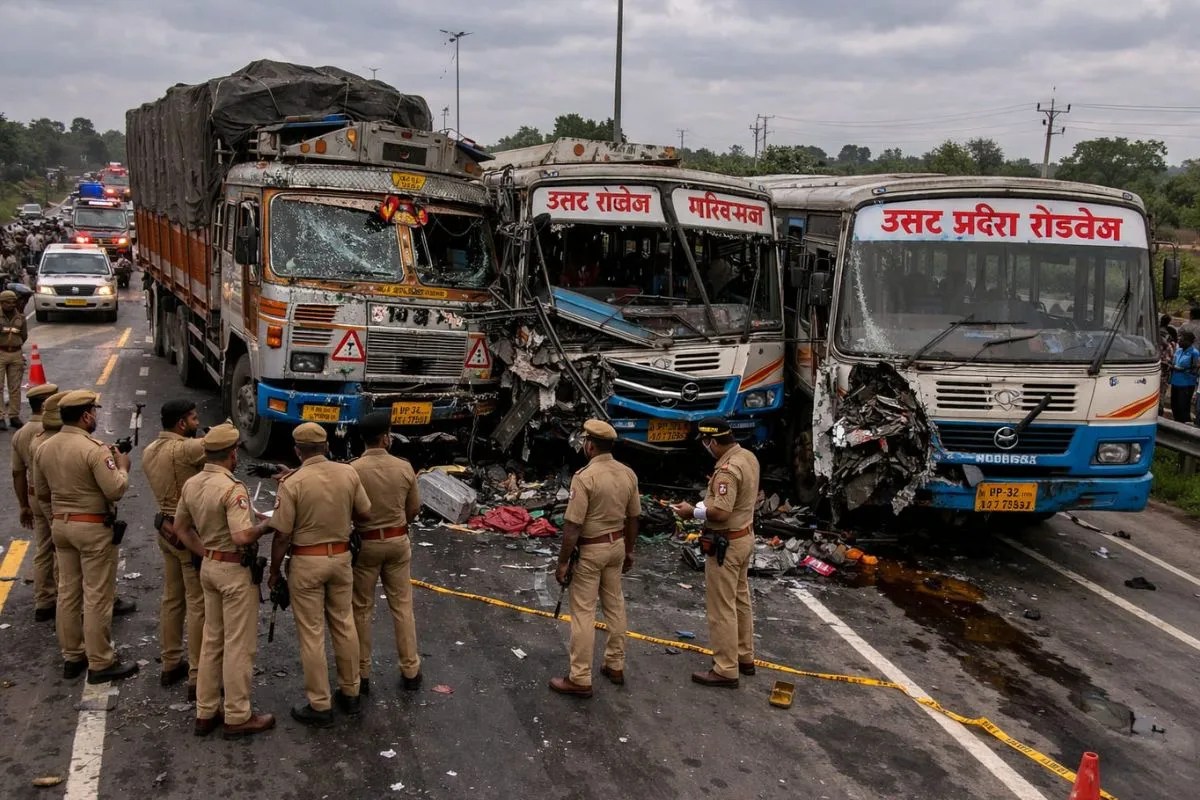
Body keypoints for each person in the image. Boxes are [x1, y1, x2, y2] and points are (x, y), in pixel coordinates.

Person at [171, 422, 275, 739]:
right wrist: (267, 526)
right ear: (232, 454)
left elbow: (180, 528)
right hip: (233, 572)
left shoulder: (192, 484)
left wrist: (206, 552)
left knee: (212, 640)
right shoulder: (233, 488)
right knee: (238, 645)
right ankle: (238, 715)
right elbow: (242, 536)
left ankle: (206, 711)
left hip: (210, 567)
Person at [267, 423, 370, 727]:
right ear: (326, 446)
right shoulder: (348, 473)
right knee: (344, 623)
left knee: (312, 634)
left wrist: (274, 571)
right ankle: (351, 692)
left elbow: (282, 535)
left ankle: (320, 704)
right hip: (341, 558)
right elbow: (364, 513)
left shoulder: (292, 483)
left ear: (297, 451)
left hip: (307, 562)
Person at [32, 390, 137, 683]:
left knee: (68, 592)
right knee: (97, 596)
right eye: (94, 412)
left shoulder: (44, 447)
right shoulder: (95, 449)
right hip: (92, 528)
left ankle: (72, 655)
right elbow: (115, 490)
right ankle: (100, 661)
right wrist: (123, 468)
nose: (96, 417)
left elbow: (42, 492)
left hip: (61, 526)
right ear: (86, 415)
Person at [549, 419, 639, 699]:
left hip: (591, 550)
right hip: (616, 546)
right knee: (615, 606)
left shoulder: (585, 477)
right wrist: (629, 550)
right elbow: (634, 517)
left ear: (590, 445)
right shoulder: (628, 474)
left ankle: (579, 677)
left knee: (583, 612)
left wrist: (563, 562)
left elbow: (573, 525)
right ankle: (615, 664)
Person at [670, 417, 759, 689]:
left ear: (712, 441)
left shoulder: (727, 471)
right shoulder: (748, 457)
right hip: (744, 537)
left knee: (721, 608)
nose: (705, 448)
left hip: (726, 544)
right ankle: (744, 656)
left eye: (705, 443)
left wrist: (693, 512)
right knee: (740, 600)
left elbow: (721, 512)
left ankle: (725, 668)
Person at [349, 411, 422, 696]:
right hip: (397, 542)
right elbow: (414, 509)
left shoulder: (353, 470)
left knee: (361, 609)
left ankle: (362, 673)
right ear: (385, 438)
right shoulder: (404, 467)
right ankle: (410, 670)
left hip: (365, 545)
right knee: (402, 607)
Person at [142, 399, 208, 698]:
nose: (197, 423)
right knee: (197, 604)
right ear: (182, 423)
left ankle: (170, 662)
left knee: (172, 599)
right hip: (188, 534)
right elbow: (226, 440)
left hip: (165, 531)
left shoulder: (149, 450)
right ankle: (197, 674)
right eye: (193, 419)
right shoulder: (185, 449)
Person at [11, 383, 59, 620]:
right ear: (46, 404)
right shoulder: (53, 430)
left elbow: (17, 473)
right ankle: (67, 599)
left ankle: (44, 600)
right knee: (62, 549)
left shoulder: (20, 434)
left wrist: (23, 505)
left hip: (33, 495)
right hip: (54, 496)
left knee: (43, 547)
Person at [0, 289, 28, 430]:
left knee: (15, 387)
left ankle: (14, 416)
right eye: (8, 302)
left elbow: (24, 335)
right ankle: (0, 417)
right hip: (1, 352)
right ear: (2, 303)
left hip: (16, 353)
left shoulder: (20, 317)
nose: (11, 305)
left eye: (13, 302)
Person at [1170, 330, 1200, 424]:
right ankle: (1176, 425)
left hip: (1186, 384)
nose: (1179, 342)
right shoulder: (1178, 350)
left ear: (1188, 341)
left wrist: (1183, 370)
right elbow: (1173, 362)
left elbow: (1195, 369)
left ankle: (1184, 427)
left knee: (1183, 408)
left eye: (1181, 340)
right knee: (1174, 406)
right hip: (1175, 382)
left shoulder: (1194, 353)